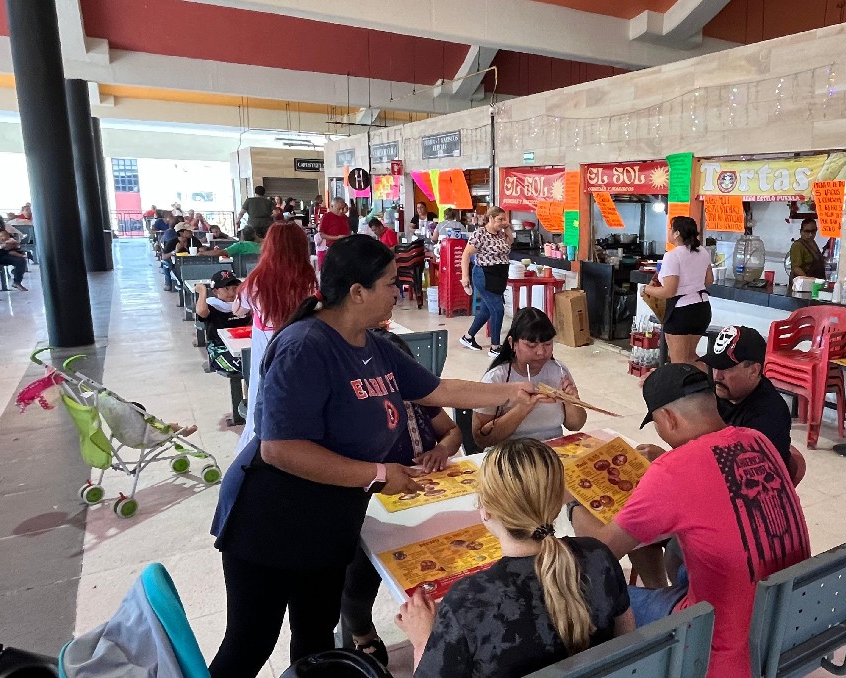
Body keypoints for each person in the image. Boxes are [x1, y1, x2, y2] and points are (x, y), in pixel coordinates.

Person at [208, 235, 536, 678]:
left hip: (332, 516)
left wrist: (512, 390)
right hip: (272, 517)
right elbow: (281, 449)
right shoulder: (306, 345)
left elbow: (439, 390)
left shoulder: (372, 344)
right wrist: (379, 473)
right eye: (389, 283)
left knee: (315, 638)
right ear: (357, 291)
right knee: (251, 641)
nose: (397, 292)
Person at [569, 363, 808, 678]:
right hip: (789, 620)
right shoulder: (757, 440)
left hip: (720, 646)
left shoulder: (672, 471)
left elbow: (600, 553)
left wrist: (573, 502)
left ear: (668, 418)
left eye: (656, 423)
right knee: (685, 561)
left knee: (589, 596)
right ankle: (661, 597)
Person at [396, 439, 634, 677]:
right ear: (558, 502)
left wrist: (422, 641)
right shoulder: (598, 557)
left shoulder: (468, 601)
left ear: (485, 510)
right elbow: (628, 648)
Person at [339, 330, 462, 668]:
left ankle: (446, 625)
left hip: (424, 498)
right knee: (358, 580)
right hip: (372, 505)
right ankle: (363, 634)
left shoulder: (420, 400)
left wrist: (440, 450)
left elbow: (452, 432)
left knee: (453, 553)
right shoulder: (353, 410)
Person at [233, 222, 319, 453]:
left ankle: (259, 449)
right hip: (301, 344)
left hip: (265, 347)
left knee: (261, 398)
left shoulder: (256, 279)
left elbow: (237, 309)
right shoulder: (310, 278)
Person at [699, 325, 801, 482]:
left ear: (754, 370)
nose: (717, 376)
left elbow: (738, 477)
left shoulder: (768, 415)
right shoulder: (720, 390)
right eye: (715, 366)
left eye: (726, 368)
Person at [473, 308, 586, 447]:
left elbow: (576, 425)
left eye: (547, 344)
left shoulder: (559, 371)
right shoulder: (496, 379)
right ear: (512, 343)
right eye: (531, 345)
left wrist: (571, 401)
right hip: (510, 454)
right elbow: (481, 439)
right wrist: (523, 408)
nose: (541, 352)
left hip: (552, 450)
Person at [642, 216, 713, 364]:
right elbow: (709, 281)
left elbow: (669, 291)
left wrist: (646, 289)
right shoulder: (703, 252)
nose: (668, 231)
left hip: (681, 312)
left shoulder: (672, 256)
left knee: (679, 362)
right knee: (691, 357)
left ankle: (691, 386)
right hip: (702, 309)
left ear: (677, 233)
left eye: (670, 228)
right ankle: (709, 384)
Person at [459, 206, 512, 357]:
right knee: (498, 310)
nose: (502, 222)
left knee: (487, 310)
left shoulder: (501, 234)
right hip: (484, 275)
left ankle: (468, 337)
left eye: (504, 219)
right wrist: (465, 277)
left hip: (499, 276)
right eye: (499, 219)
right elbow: (466, 255)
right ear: (490, 218)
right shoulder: (480, 234)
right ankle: (495, 347)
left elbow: (509, 244)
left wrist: (507, 228)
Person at [195, 271, 251, 374]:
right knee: (247, 365)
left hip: (247, 346)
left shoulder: (244, 304)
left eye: (235, 287)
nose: (232, 292)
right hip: (221, 350)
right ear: (215, 291)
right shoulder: (212, 305)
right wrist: (202, 291)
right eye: (226, 288)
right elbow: (201, 312)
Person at [0, 221, 29, 291]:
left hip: (2, 255)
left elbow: (13, 241)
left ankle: (17, 282)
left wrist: (10, 245)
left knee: (20, 260)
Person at [316, 198, 351, 267]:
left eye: (342, 208)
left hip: (345, 247)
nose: (341, 211)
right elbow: (321, 234)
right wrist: (337, 238)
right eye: (338, 209)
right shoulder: (327, 216)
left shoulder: (345, 217)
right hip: (333, 248)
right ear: (332, 206)